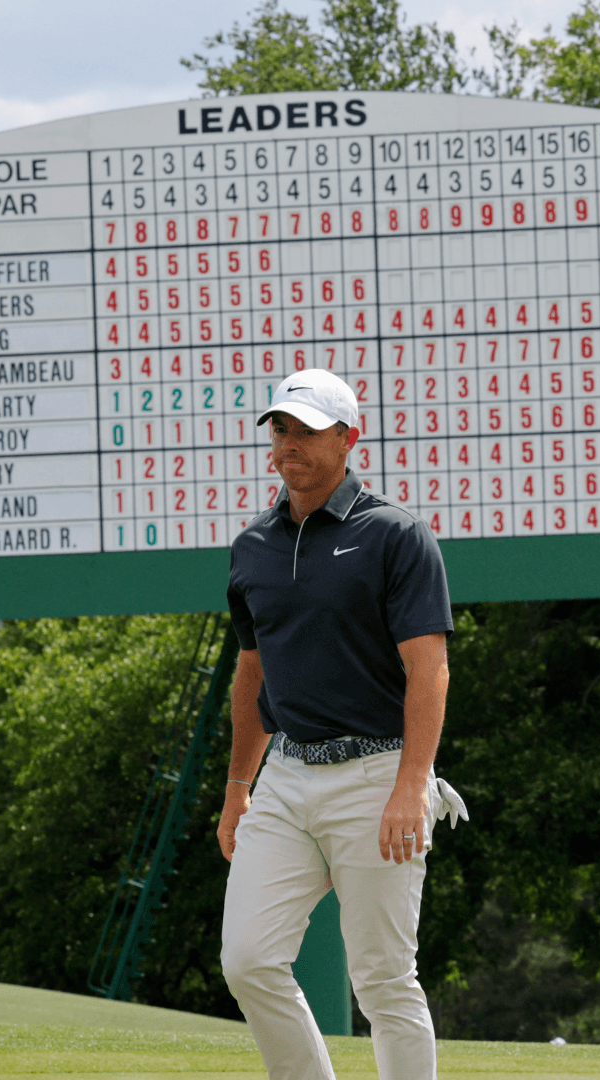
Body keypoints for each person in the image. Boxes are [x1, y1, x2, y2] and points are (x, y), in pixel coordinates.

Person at [220, 368, 465, 1080]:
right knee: (248, 960)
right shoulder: (252, 548)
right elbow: (252, 675)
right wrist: (239, 786)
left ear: (348, 439)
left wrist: (410, 785)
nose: (288, 444)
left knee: (384, 980)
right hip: (287, 777)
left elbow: (430, 670)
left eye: (306, 430)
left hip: (379, 773)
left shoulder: (395, 534)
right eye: (280, 429)